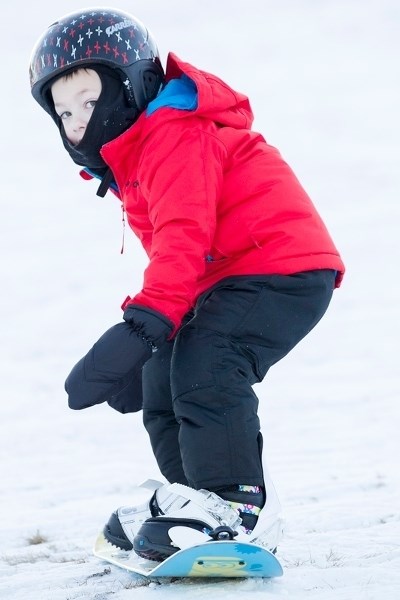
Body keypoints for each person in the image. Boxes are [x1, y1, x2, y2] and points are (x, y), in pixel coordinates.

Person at [29, 7, 345, 561]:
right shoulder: (138, 155)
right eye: (65, 112)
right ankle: (195, 502)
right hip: (231, 276)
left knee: (208, 362)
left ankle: (233, 508)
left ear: (132, 88)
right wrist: (150, 342)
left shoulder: (173, 134)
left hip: (280, 268)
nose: (78, 122)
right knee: (165, 373)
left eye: (90, 101)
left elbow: (182, 238)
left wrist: (142, 324)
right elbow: (185, 256)